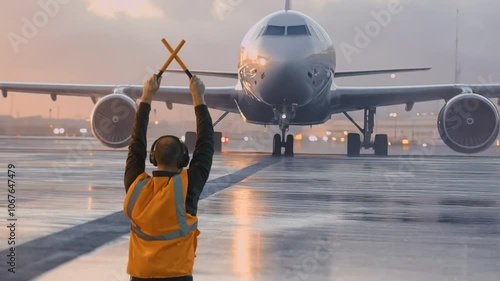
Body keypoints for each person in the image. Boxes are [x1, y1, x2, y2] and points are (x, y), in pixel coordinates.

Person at [123, 74, 214, 281]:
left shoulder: (136, 187)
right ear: (183, 159)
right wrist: (198, 97)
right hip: (177, 276)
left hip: (139, 276)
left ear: (153, 158)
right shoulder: (187, 187)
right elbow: (206, 144)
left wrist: (146, 97)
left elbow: (135, 145)